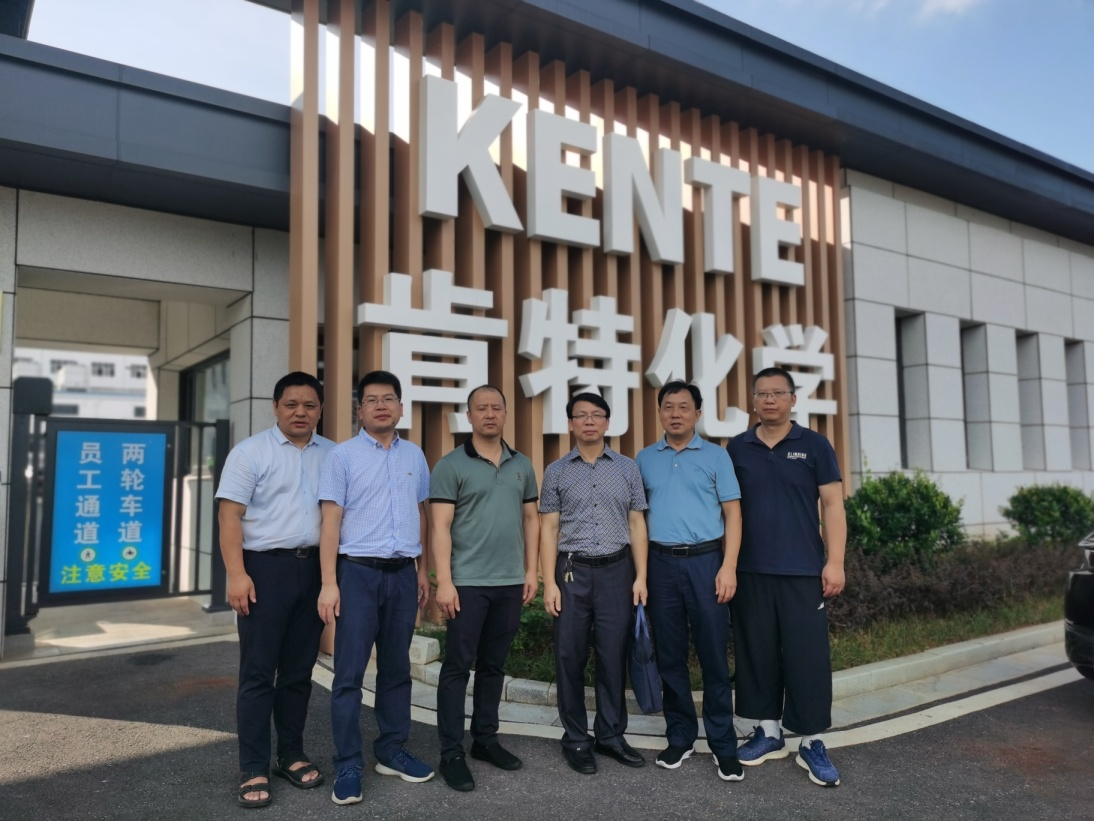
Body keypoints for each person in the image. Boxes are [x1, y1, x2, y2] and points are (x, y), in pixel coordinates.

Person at [215, 371, 335, 809]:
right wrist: (236, 574)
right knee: (258, 673)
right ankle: (253, 766)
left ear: (320, 410)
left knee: (300, 672)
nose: (300, 412)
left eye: (309, 405)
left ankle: (291, 754)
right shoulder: (250, 453)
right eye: (291, 404)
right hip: (263, 571)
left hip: (314, 570)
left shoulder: (333, 455)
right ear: (275, 407)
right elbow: (229, 516)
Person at [316, 371, 434, 805]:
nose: (381, 406)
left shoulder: (415, 455)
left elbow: (420, 513)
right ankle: (348, 763)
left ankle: (391, 749)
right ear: (359, 410)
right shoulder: (342, 457)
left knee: (397, 668)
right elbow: (330, 522)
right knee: (348, 673)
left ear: (401, 408)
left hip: (402, 574)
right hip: (357, 574)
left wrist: (422, 569)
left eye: (389, 399)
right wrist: (329, 583)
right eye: (372, 400)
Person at [728, 366, 846, 787]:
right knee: (756, 652)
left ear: (793, 400)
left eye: (778, 393)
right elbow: (728, 508)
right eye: (762, 393)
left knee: (807, 656)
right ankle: (768, 732)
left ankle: (812, 740)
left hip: (802, 569)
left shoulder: (814, 445)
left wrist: (835, 561)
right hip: (750, 569)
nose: (770, 400)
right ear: (753, 401)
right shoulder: (737, 447)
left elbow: (833, 504)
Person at [430, 385, 540, 792]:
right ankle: (451, 752)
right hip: (467, 584)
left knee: (494, 665)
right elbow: (439, 526)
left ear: (505, 414)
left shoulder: (522, 464)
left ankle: (485, 739)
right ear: (470, 416)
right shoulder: (450, 465)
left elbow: (531, 520)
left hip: (509, 582)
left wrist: (532, 570)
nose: (489, 414)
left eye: (496, 407)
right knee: (457, 667)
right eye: (481, 408)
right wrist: (445, 582)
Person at [635, 380, 744, 782]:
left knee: (714, 655)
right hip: (661, 565)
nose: (675, 413)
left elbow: (733, 514)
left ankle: (723, 744)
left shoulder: (716, 456)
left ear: (697, 414)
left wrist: (728, 566)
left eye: (684, 407)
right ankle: (680, 736)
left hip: (706, 563)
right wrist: (642, 574)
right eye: (668, 406)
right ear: (660, 412)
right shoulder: (644, 459)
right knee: (670, 656)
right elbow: (637, 521)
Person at [539, 392, 649, 775]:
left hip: (617, 571)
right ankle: (575, 738)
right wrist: (549, 583)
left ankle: (611, 735)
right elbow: (548, 528)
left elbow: (637, 523)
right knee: (569, 656)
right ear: (570, 423)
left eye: (596, 415)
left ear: (607, 422)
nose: (589, 421)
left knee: (613, 654)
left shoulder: (627, 468)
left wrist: (641, 576)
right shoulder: (556, 471)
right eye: (581, 415)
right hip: (572, 572)